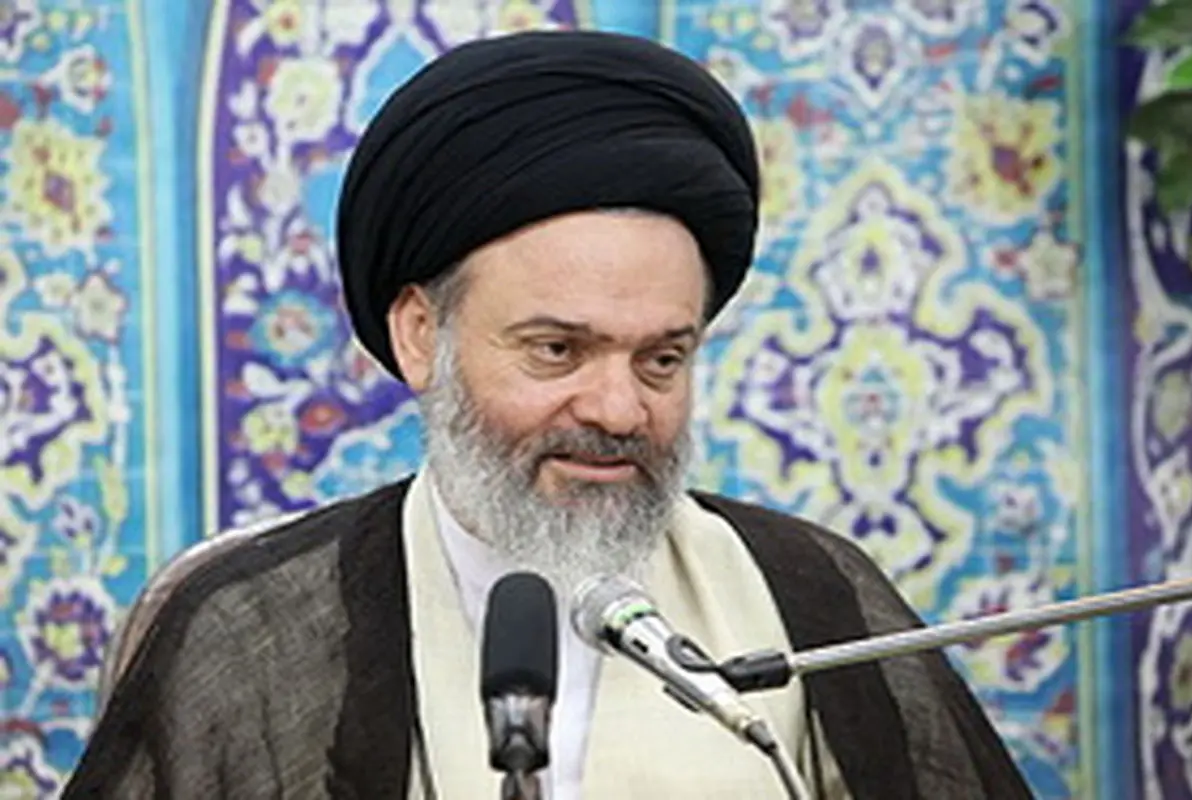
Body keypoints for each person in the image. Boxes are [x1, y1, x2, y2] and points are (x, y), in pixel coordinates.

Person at [63, 30, 1032, 800]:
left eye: (662, 358)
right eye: (557, 350)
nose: (618, 408)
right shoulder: (251, 629)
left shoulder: (808, 592)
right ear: (420, 336)